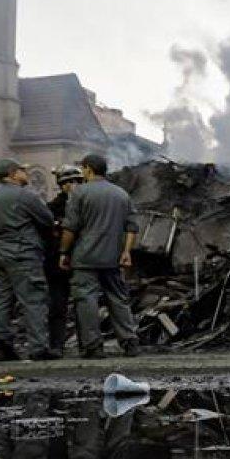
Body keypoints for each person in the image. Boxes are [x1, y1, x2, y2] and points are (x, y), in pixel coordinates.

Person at [60, 154, 140, 359]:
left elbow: (70, 228)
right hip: (112, 258)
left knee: (87, 300)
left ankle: (93, 347)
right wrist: (126, 252)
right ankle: (130, 342)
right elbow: (132, 227)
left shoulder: (80, 193)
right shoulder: (121, 194)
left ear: (88, 169)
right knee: (118, 300)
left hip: (85, 258)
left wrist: (63, 252)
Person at [0, 159, 59, 361]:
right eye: (22, 171)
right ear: (12, 173)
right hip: (23, 253)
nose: (26, 174)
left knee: (2, 300)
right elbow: (46, 218)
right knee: (34, 299)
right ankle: (38, 348)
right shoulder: (24, 195)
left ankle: (2, 346)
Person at [46, 165, 84, 353]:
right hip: (57, 265)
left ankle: (87, 345)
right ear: (62, 185)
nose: (74, 185)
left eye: (78, 181)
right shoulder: (51, 208)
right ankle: (56, 345)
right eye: (69, 182)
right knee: (57, 307)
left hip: (82, 262)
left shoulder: (87, 206)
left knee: (83, 305)